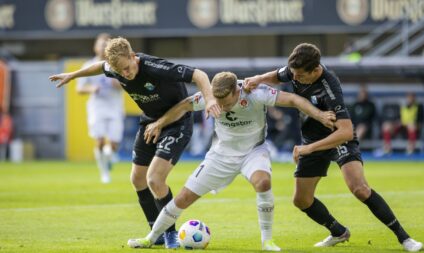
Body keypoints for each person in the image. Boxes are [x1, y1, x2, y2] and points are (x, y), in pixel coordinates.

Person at [127, 71, 336, 251]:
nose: (222, 108)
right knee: (183, 198)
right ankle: (150, 238)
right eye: (218, 103)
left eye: (226, 103)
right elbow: (183, 106)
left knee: (263, 182)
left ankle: (267, 241)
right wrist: (160, 123)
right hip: (220, 156)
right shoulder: (211, 98)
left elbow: (292, 100)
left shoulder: (255, 93)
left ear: (236, 92)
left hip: (253, 152)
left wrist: (319, 115)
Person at [244, 43, 423, 252]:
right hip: (312, 137)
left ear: (316, 70)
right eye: (294, 74)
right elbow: (278, 75)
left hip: (337, 138)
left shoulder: (330, 88)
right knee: (301, 200)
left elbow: (346, 131)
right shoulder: (296, 71)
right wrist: (258, 79)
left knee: (360, 189)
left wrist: (308, 149)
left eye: (301, 75)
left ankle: (405, 239)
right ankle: (338, 232)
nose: (296, 79)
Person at [49, 37, 221, 248]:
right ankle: (155, 233)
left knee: (155, 180)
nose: (126, 74)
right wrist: (73, 75)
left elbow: (199, 75)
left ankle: (170, 234)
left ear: (133, 56)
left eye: (127, 68)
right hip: (149, 122)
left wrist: (210, 99)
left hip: (176, 122)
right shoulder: (115, 67)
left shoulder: (155, 67)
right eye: (120, 71)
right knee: (137, 179)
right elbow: (98, 67)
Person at [77, 33, 124, 183]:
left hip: (115, 107)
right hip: (97, 107)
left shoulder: (116, 65)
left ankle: (108, 159)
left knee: (114, 144)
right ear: (95, 47)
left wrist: (117, 83)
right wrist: (92, 89)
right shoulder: (88, 66)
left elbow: (125, 85)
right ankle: (104, 172)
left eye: (106, 45)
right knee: (100, 141)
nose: (103, 47)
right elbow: (79, 89)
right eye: (101, 44)